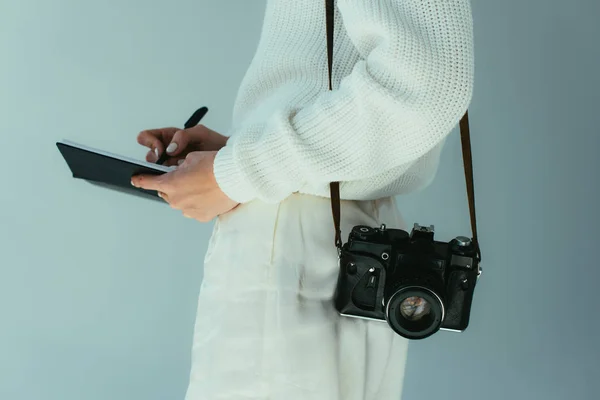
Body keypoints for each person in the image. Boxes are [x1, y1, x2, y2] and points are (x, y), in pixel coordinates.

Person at [130, 0, 474, 398]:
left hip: (304, 252)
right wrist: (239, 150)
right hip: (326, 238)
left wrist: (240, 170)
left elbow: (426, 83)